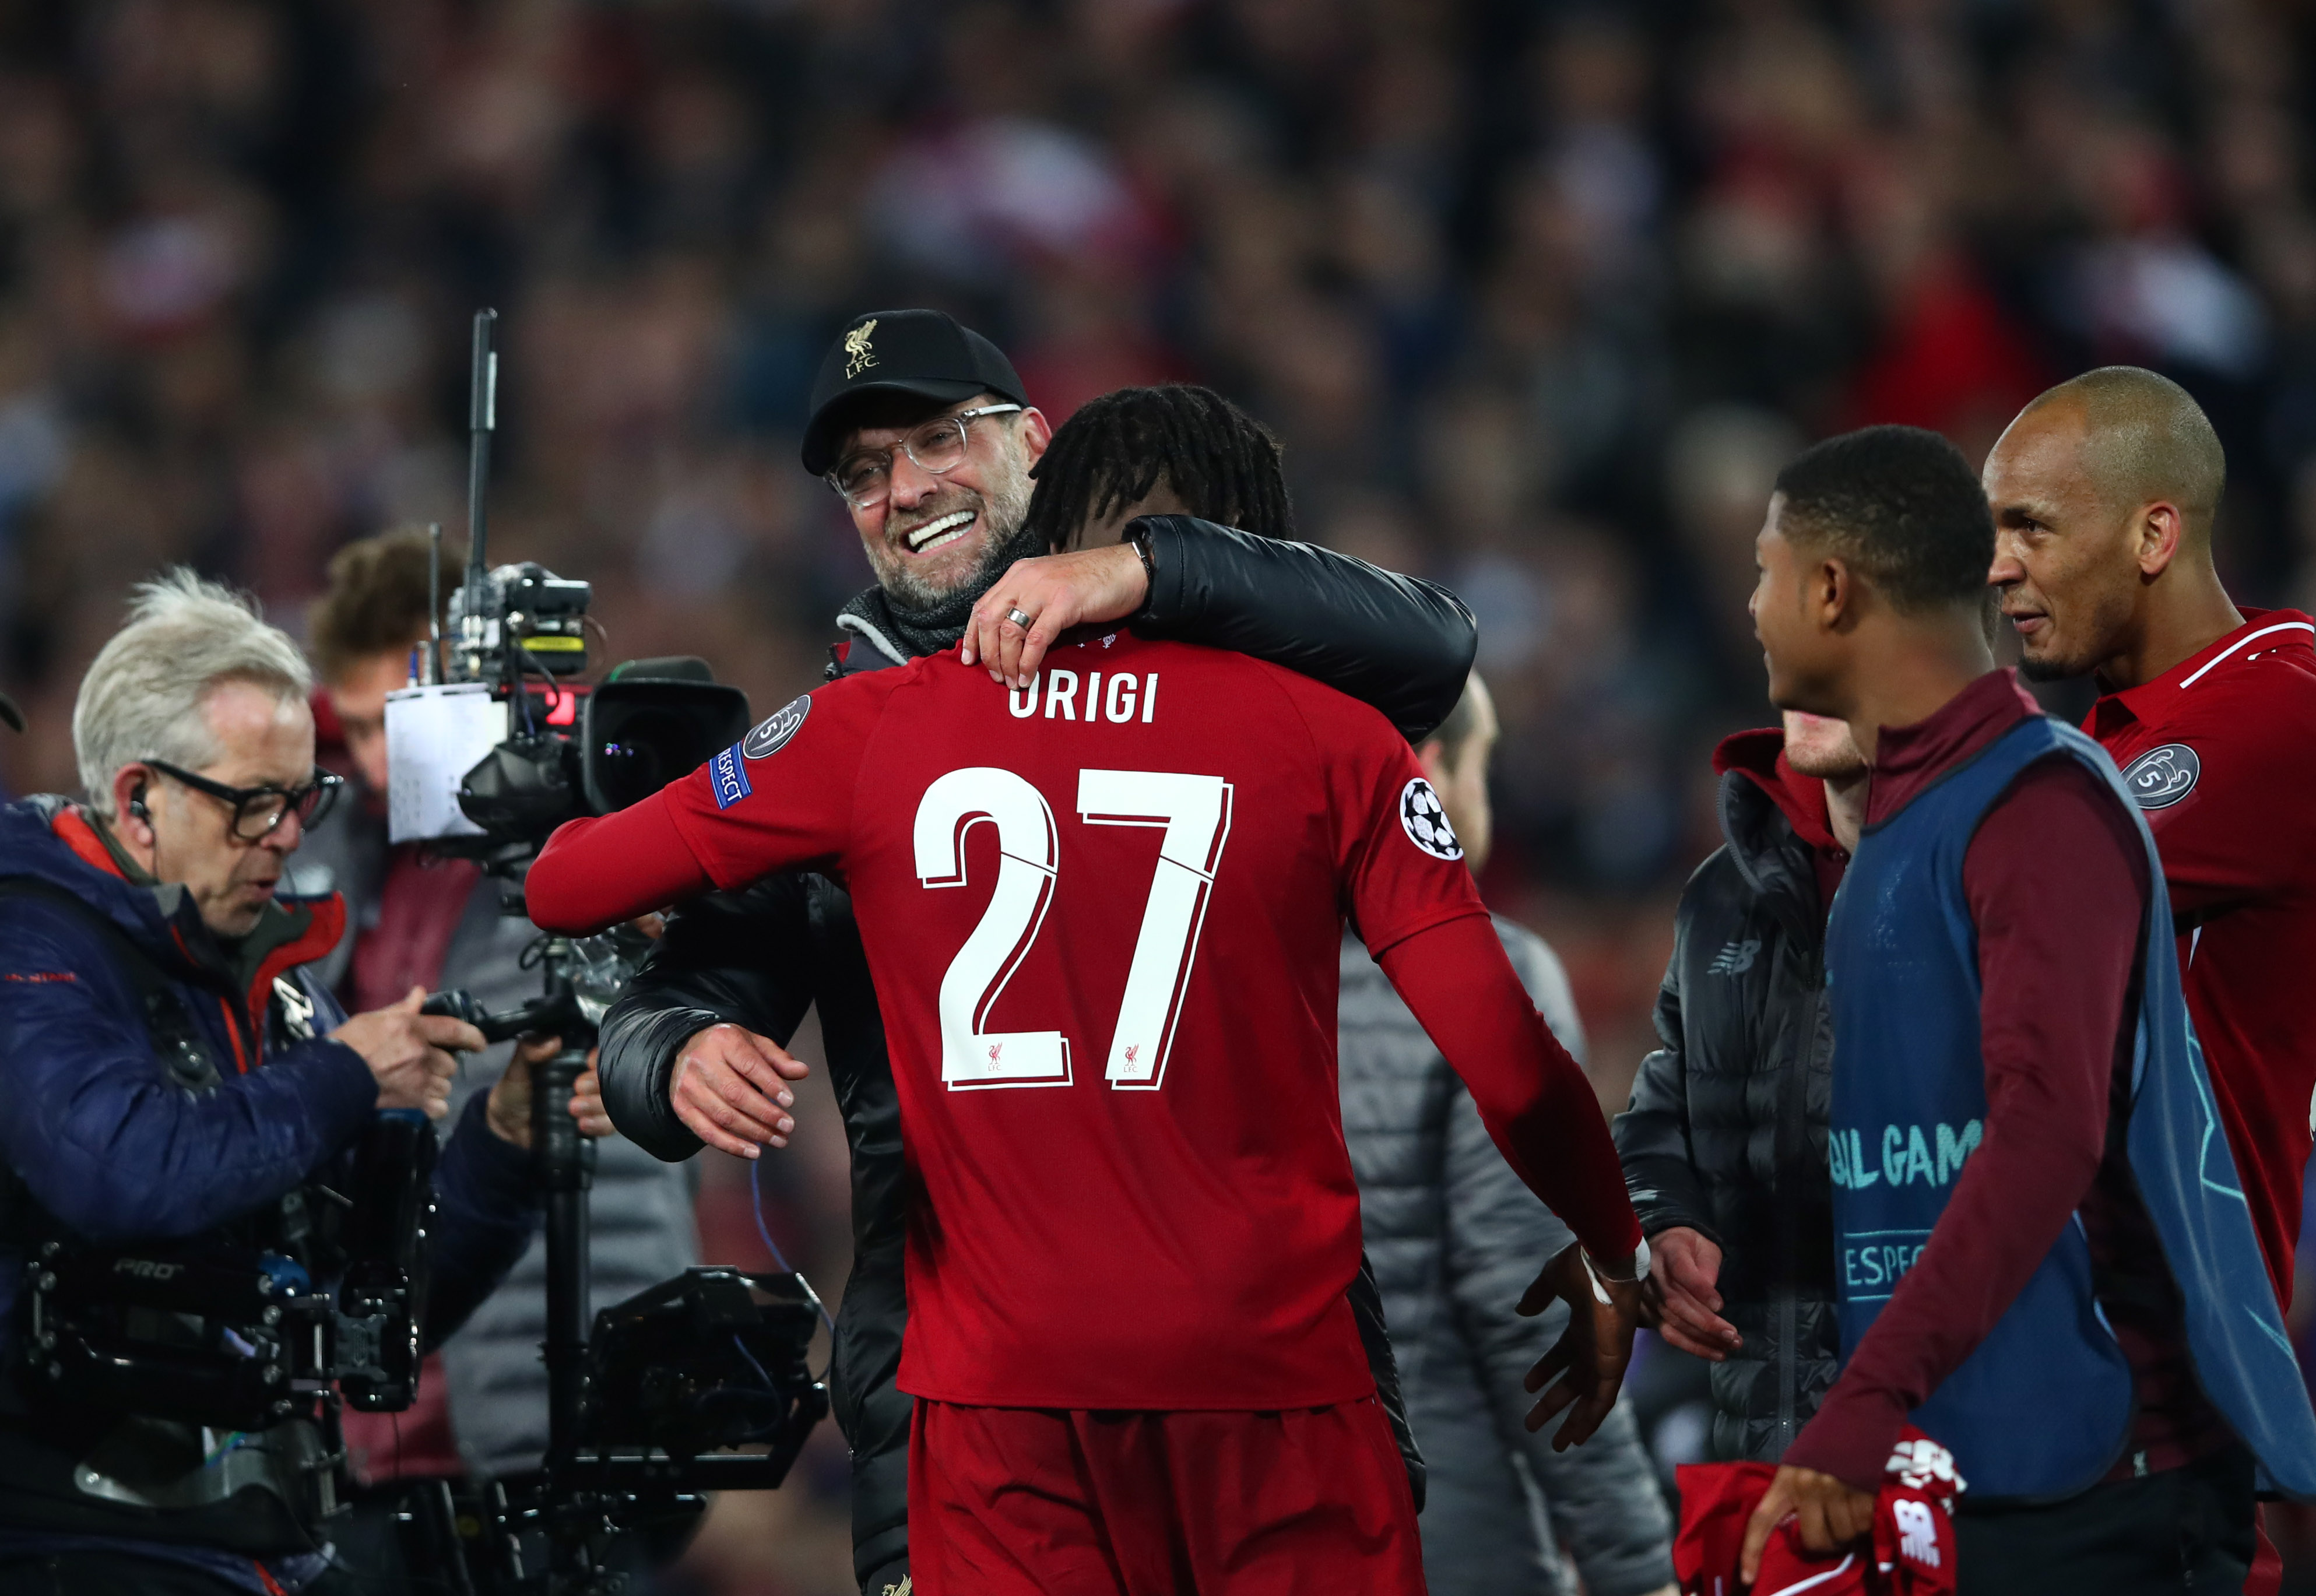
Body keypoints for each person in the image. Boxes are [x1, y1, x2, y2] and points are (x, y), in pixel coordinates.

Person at [523, 570, 1647, 1596]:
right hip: (1279, 1380)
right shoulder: (1330, 732)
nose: (901, 492)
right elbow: (1511, 1056)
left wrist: (560, 804)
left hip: (1001, 1397)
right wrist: (1610, 1235)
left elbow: (567, 885)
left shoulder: (869, 724)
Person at [595, 318, 1478, 1595]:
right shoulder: (841, 743)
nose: (904, 493)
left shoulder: (1211, 653)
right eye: (862, 474)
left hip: (1258, 1374)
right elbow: (669, 999)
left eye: (937, 441)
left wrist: (1148, 570)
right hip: (963, 1401)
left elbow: (1433, 649)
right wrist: (670, 1053)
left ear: (1031, 445)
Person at [1739, 425, 2316, 1594]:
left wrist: (1864, 1402)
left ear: (1830, 590)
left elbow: (2044, 1133)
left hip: (2103, 1492)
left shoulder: (2038, 804)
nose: (1750, 608)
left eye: (1762, 572)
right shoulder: (1900, 829)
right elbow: (1896, 1165)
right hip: (1963, 1475)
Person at [0, 571, 549, 1595]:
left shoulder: (275, 989)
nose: (290, 836)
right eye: (254, 802)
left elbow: (380, 1316)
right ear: (137, 797)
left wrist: (508, 1137)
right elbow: (118, 1173)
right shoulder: (29, 935)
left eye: (304, 798)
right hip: (65, 1540)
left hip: (258, 1544)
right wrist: (344, 1074)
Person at [290, 530, 690, 1577]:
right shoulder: (320, 861)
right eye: (365, 729)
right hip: (370, 1441)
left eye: (413, 723)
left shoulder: (599, 836)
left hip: (558, 1405)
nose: (389, 761)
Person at [1983, 368, 2316, 1317]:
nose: (2000, 566)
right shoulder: (2113, 739)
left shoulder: (2282, 714)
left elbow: (2014, 907)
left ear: (2153, 535)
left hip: (2170, 1340)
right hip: (2075, 1326)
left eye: (2032, 527)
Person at [1338, 671, 1677, 1596]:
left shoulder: (1209, 983)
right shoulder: (1494, 977)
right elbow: (1536, 1316)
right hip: (1448, 1536)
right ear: (1432, 777)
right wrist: (1636, 1565)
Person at [1611, 709, 1863, 1461]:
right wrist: (1664, 1220)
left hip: (1949, 1460)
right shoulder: (1720, 891)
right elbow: (1661, 1118)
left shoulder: (2000, 857)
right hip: (1754, 1446)